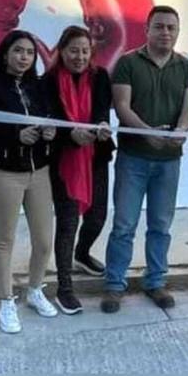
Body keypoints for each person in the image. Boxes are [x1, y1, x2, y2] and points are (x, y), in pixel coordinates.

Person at [102, 6, 188, 313]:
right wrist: (147, 133)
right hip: (133, 158)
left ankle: (155, 282)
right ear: (147, 29)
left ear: (178, 31)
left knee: (161, 225)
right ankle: (114, 285)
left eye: (172, 27)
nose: (165, 33)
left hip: (169, 161)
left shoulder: (187, 68)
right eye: (159, 27)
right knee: (124, 225)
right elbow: (121, 106)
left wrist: (181, 131)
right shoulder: (128, 63)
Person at [0, 29, 59, 333]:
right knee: (5, 240)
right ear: (5, 53)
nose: (24, 57)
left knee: (44, 239)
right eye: (18, 51)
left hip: (40, 171)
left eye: (29, 52)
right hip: (5, 171)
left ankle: (35, 290)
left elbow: (51, 118)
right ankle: (6, 302)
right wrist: (14, 136)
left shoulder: (38, 85)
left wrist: (50, 132)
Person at [43, 26, 114, 315]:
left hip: (95, 156)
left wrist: (100, 128)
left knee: (98, 216)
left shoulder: (100, 77)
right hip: (64, 159)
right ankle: (64, 288)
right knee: (68, 222)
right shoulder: (47, 81)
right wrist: (71, 135)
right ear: (62, 50)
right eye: (74, 50)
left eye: (85, 51)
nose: (80, 56)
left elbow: (101, 111)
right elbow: (50, 119)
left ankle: (82, 254)